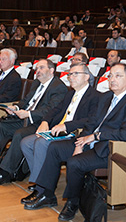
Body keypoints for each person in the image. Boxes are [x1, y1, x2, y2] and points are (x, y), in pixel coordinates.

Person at [21, 63, 126, 222]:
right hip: (89, 141)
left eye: (118, 76)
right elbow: (91, 122)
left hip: (109, 148)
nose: (112, 79)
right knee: (54, 148)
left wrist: (95, 136)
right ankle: (47, 194)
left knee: (75, 162)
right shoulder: (106, 97)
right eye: (110, 76)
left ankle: (72, 202)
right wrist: (80, 144)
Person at [0, 59, 67, 186]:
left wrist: (29, 114)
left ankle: (5, 173)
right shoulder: (37, 83)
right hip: (25, 118)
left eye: (42, 68)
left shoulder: (58, 87)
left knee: (20, 134)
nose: (38, 71)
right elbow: (26, 101)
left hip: (40, 123)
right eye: (37, 69)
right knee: (1, 126)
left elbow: (50, 110)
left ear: (51, 70)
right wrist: (16, 107)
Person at [20, 63, 100, 191]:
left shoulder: (96, 96)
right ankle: (39, 179)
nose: (71, 77)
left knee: (41, 143)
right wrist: (45, 121)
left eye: (75, 74)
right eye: (70, 74)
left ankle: (42, 189)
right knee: (26, 142)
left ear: (86, 77)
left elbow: (90, 120)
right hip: (58, 130)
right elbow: (55, 110)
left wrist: (66, 126)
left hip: (74, 133)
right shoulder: (70, 94)